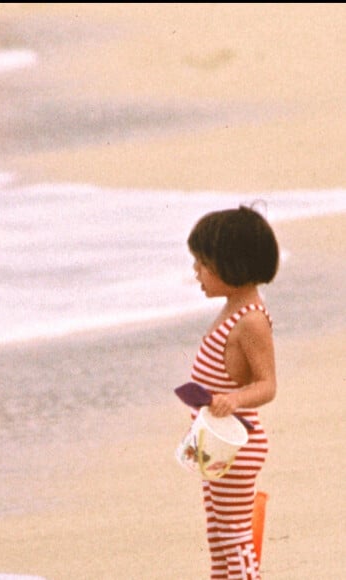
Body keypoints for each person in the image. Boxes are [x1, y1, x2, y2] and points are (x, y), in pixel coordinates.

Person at [186, 204, 279, 580]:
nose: (196, 272)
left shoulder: (251, 320)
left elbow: (267, 385)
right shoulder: (230, 308)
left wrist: (235, 400)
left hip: (237, 448)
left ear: (232, 265)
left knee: (235, 534)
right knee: (218, 534)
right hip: (215, 442)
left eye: (203, 264)